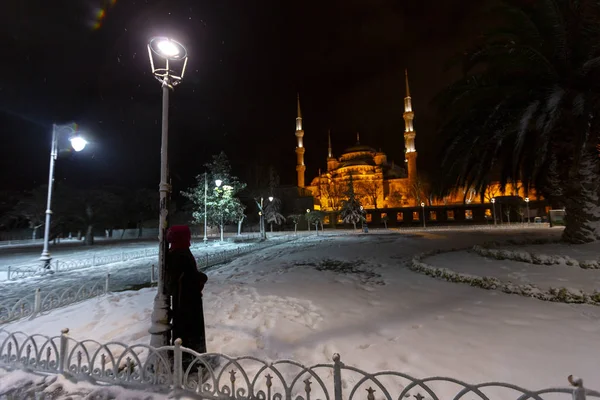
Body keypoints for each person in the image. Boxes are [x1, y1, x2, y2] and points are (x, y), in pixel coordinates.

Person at [166, 225, 208, 355]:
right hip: (187, 300)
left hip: (186, 298)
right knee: (189, 328)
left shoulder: (178, 251)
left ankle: (189, 355)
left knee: (187, 327)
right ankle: (189, 357)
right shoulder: (180, 254)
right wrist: (202, 277)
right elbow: (187, 276)